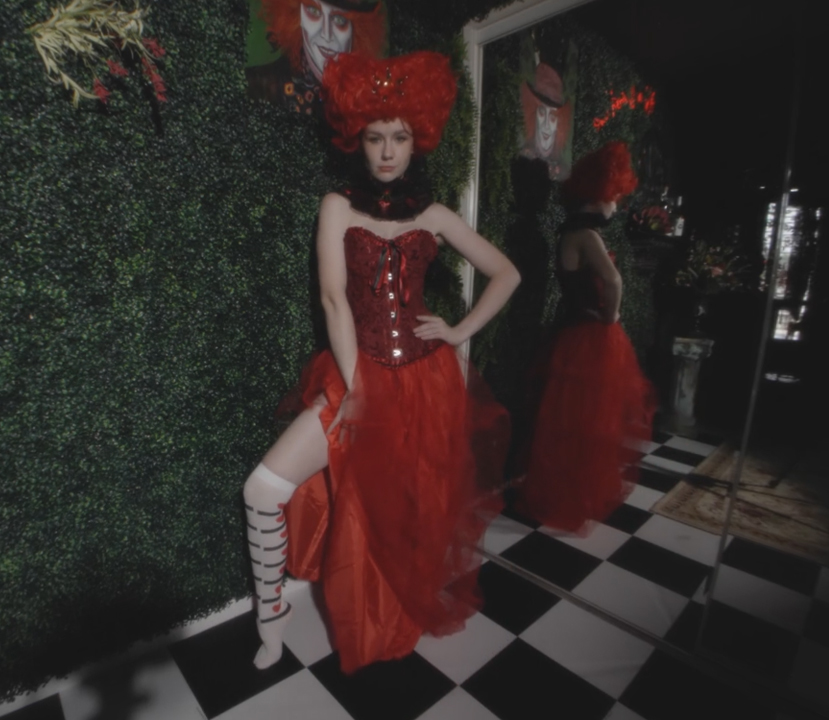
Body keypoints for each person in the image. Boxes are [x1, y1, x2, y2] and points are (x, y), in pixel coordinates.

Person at [241, 50, 520, 674]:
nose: (388, 151)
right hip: (355, 373)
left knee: (407, 509)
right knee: (262, 489)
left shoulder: (435, 215)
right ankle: (271, 620)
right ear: (356, 140)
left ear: (417, 140)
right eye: (375, 137)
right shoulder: (337, 205)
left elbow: (507, 273)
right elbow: (333, 299)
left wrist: (458, 330)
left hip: (424, 380)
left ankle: (395, 611)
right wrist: (357, 387)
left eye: (399, 137)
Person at [516, 142, 656, 532]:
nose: (617, 206)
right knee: (589, 423)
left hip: (572, 335)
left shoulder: (569, 234)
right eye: (615, 197)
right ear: (599, 196)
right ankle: (572, 496)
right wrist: (611, 317)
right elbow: (614, 281)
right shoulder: (586, 235)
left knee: (570, 421)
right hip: (592, 337)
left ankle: (562, 491)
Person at [246, 0, 386, 114]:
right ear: (297, 17)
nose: (326, 34)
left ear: (356, 29)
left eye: (339, 19)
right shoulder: (255, 88)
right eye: (314, 11)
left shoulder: (372, 102)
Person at [518, 62, 571, 180]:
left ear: (559, 124)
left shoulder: (562, 171)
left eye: (552, 117)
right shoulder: (522, 158)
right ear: (534, 116)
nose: (546, 125)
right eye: (542, 113)